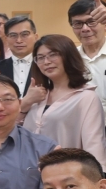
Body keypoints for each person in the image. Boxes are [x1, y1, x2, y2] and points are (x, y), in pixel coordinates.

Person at [22, 34, 106, 171]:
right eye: (40, 58)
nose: (46, 62)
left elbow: (94, 144)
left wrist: (97, 176)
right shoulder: (36, 95)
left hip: (65, 174)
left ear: (68, 56)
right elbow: (12, 132)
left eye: (53, 55)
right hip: (28, 173)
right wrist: (25, 103)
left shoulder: (86, 97)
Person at [71, 0, 106, 118]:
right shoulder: (69, 58)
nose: (85, 29)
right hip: (81, 125)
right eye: (78, 24)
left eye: (91, 22)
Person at [0, 15, 37, 97]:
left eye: (24, 34)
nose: (19, 40)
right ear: (6, 39)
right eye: (13, 35)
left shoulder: (45, 66)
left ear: (36, 37)